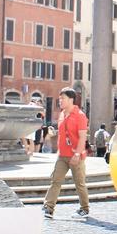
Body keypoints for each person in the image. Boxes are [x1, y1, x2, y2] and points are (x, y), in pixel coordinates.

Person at [43, 88, 90, 220]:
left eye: (62, 98)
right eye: (59, 99)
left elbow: (82, 137)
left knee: (79, 183)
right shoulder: (62, 114)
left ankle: (84, 209)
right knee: (55, 181)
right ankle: (48, 208)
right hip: (62, 155)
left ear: (71, 99)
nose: (60, 101)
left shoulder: (80, 115)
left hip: (76, 156)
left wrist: (77, 155)